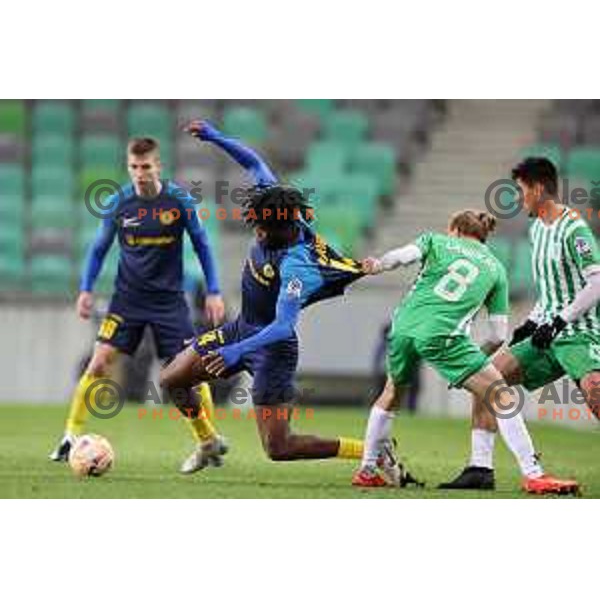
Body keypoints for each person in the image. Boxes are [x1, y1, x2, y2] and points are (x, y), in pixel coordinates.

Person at [160, 120, 404, 477]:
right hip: (242, 328)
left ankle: (375, 451)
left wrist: (237, 351)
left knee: (279, 447)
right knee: (172, 380)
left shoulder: (297, 266)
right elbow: (255, 165)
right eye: (255, 222)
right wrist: (216, 137)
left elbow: (282, 326)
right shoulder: (277, 205)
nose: (255, 231)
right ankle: (209, 442)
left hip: (273, 350)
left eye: (260, 227)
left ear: (283, 229)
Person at [353, 209, 579, 495]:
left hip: (402, 328)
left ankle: (367, 469)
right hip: (444, 335)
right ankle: (534, 474)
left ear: (455, 229)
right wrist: (476, 361)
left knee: (391, 393)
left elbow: (401, 257)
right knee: (501, 395)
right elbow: (498, 335)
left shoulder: (435, 241)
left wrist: (378, 264)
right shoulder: (496, 269)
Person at [50, 137, 227, 474]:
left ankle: (207, 439)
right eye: (134, 167)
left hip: (169, 302)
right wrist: (86, 288)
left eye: (146, 166)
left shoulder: (178, 201)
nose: (140, 173)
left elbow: (203, 245)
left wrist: (214, 291)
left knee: (189, 374)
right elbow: (99, 247)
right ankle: (70, 436)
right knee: (99, 362)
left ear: (157, 166)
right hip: (127, 299)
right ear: (128, 166)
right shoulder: (119, 203)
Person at [443, 157, 600, 490]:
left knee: (594, 394)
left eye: (521, 190)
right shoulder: (537, 229)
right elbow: (551, 290)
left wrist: (558, 321)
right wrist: (531, 322)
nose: (518, 198)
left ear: (538, 188)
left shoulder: (574, 228)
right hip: (547, 332)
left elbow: (596, 283)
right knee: (487, 375)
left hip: (579, 334)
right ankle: (480, 468)